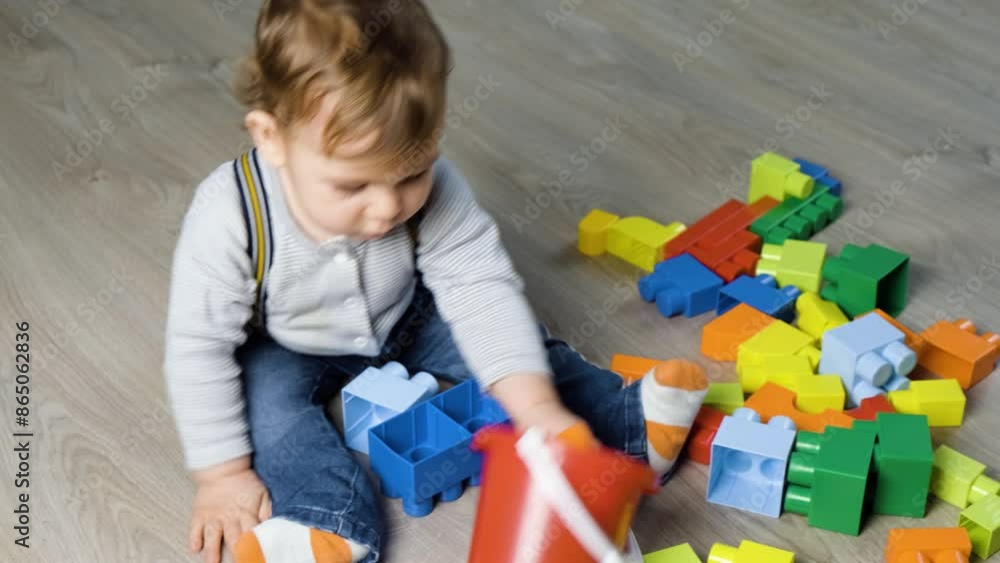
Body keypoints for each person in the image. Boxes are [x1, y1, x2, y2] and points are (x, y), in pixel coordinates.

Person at [163, 1, 709, 561]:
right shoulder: (230, 217)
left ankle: (627, 427)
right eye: (353, 187)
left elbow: (480, 289)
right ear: (270, 137)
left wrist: (537, 409)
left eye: (412, 173)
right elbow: (197, 350)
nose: (387, 208)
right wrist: (221, 475)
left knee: (523, 349)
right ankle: (325, 519)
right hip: (288, 344)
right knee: (267, 407)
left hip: (410, 313)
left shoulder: (435, 189)